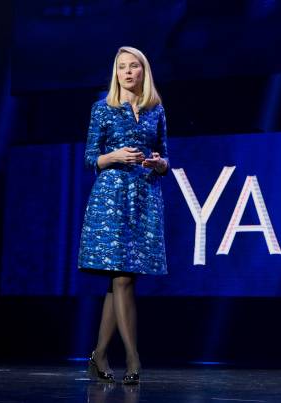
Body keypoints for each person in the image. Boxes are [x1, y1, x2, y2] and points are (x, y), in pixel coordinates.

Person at [78, 46, 169, 385]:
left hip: (144, 197)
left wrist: (159, 164)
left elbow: (166, 159)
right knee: (121, 278)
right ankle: (133, 356)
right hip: (111, 199)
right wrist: (114, 155)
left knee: (120, 280)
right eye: (122, 67)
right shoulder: (102, 109)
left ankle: (99, 355)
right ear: (115, 73)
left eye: (134, 67)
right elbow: (90, 158)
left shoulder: (155, 109)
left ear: (144, 71)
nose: (128, 72)